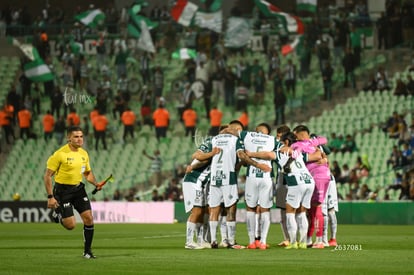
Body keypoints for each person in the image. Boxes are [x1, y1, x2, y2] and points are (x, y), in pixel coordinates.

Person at [194, 120, 269, 249]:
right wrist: (257, 164)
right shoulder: (236, 140)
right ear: (235, 130)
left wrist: (194, 165)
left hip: (214, 177)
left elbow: (198, 155)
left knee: (214, 209)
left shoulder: (214, 139)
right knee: (231, 209)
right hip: (228, 177)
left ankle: (213, 241)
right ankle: (231, 241)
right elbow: (242, 155)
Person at [44, 126, 103, 259]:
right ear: (68, 138)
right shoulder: (60, 154)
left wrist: (96, 183)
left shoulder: (84, 153)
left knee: (88, 218)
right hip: (62, 191)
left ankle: (87, 252)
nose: (79, 139)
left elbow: (87, 173)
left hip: (78, 189)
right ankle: (57, 213)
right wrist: (50, 197)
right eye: (76, 136)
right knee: (71, 226)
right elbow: (47, 176)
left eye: (81, 136)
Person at [292, 125, 331, 249]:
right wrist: (318, 151)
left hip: (317, 176)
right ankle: (309, 239)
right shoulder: (312, 142)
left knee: (316, 207)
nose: (294, 137)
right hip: (323, 175)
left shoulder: (297, 145)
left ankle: (319, 240)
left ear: (300, 134)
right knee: (312, 209)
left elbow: (294, 156)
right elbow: (324, 139)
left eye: (295, 134)